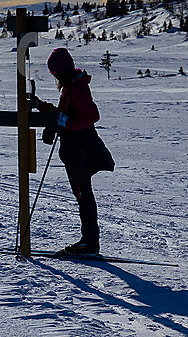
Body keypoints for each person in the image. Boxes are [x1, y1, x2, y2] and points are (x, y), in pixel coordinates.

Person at [31, 47, 115, 255]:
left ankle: (89, 243)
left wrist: (65, 123)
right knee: (83, 194)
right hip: (77, 150)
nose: (54, 77)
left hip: (81, 151)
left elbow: (91, 116)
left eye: (54, 73)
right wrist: (41, 106)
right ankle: (89, 241)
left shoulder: (77, 88)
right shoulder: (72, 86)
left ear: (61, 71)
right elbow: (64, 113)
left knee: (83, 195)